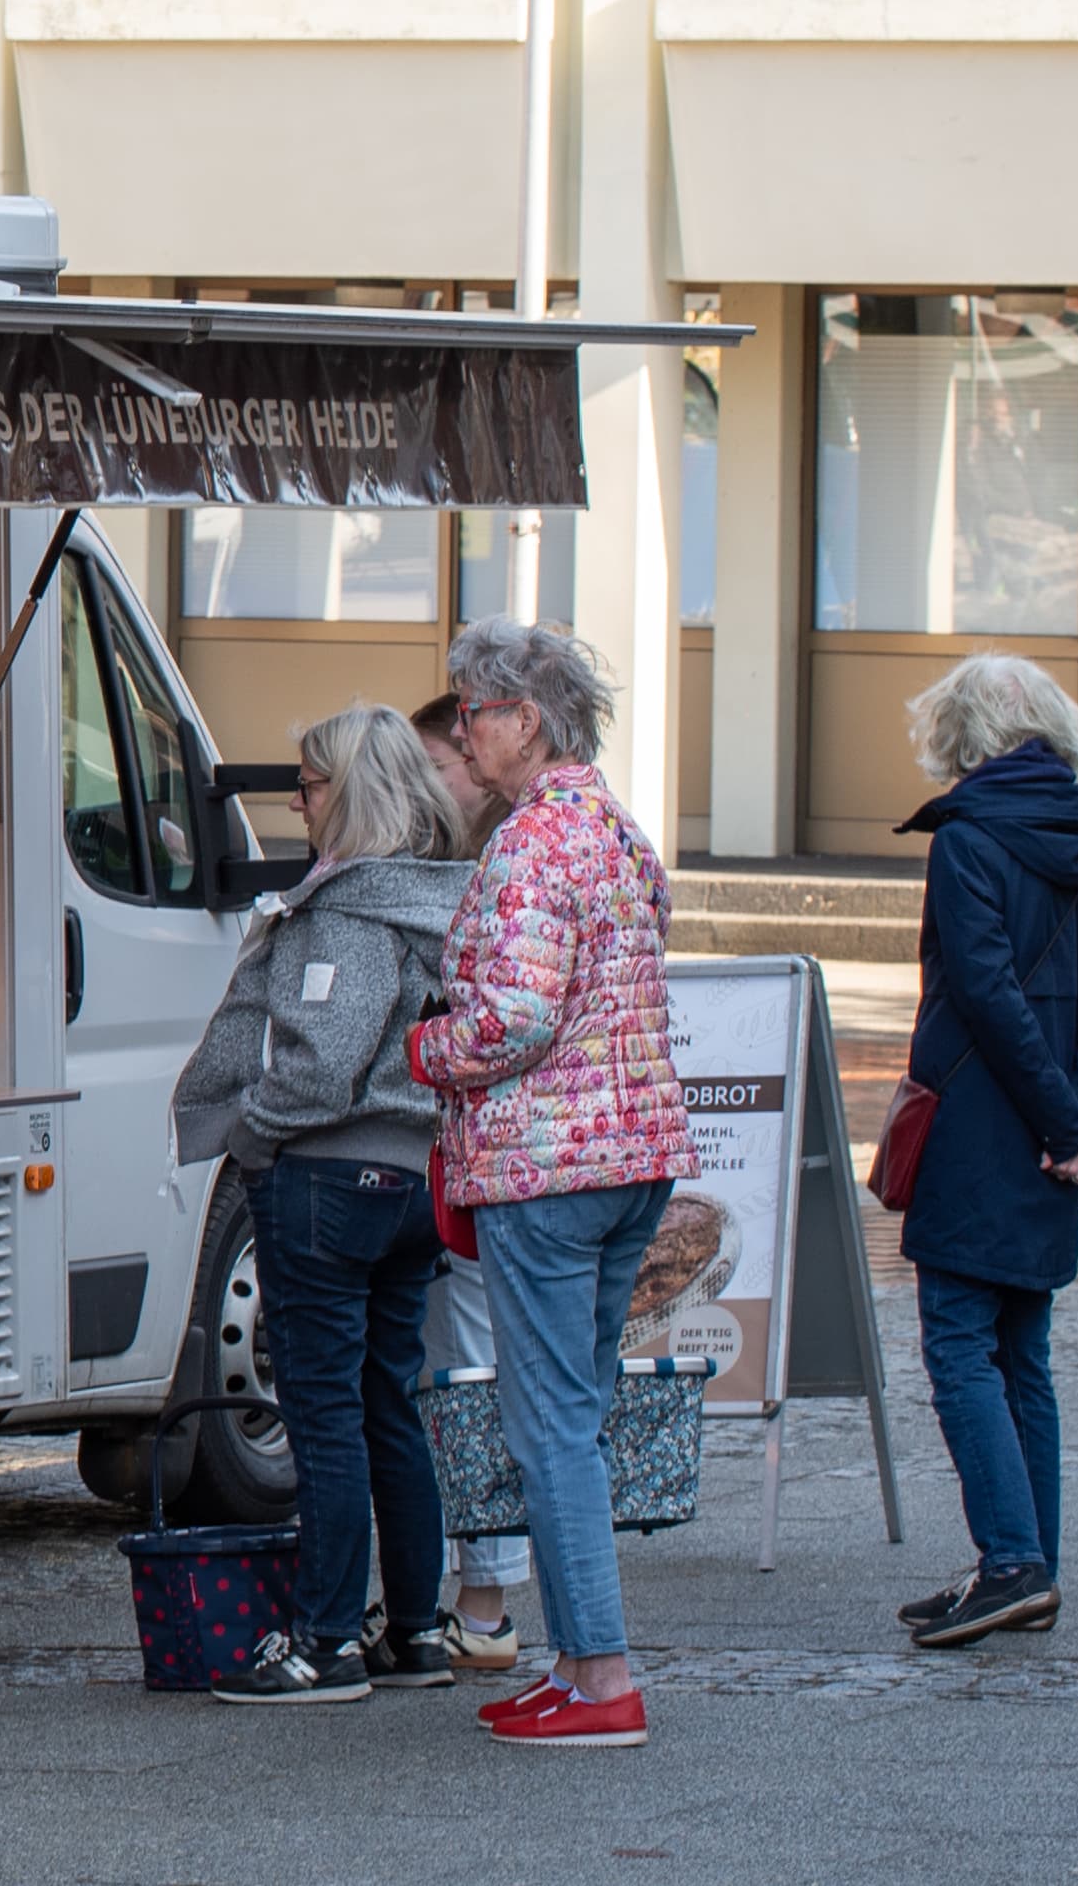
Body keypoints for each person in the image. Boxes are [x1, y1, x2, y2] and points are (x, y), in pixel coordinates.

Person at [407, 618, 698, 1750]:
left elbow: (514, 1018)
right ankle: (581, 1661)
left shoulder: (532, 840)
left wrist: (425, 1050)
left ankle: (600, 1677)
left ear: (522, 719)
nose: (463, 735)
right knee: (572, 1412)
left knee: (550, 1429)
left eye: (473, 713)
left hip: (547, 1164)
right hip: (625, 1156)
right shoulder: (613, 830)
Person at [172, 704, 472, 1705]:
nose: (293, 799)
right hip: (414, 1179)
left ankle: (322, 1640)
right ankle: (415, 1630)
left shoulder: (346, 908)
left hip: (328, 1179)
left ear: (345, 792)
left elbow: (321, 1061)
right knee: (390, 1403)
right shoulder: (445, 898)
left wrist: (250, 1132)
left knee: (324, 1414)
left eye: (304, 783)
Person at [889, 654, 1078, 1649]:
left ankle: (1010, 1563)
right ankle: (1027, 1557)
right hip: (1047, 1139)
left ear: (960, 737)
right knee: (1018, 1351)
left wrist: (1063, 1125)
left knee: (958, 1343)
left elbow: (986, 1001)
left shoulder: (965, 841)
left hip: (980, 1131)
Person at [406, 689, 531, 1677]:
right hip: (458, 1156)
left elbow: (505, 1023)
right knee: (447, 1368)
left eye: (437, 765)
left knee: (474, 1367)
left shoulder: (504, 863)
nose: (421, 787)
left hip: (491, 1158)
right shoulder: (451, 861)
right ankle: (452, 1588)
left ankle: (484, 1594)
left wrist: (418, 1043)